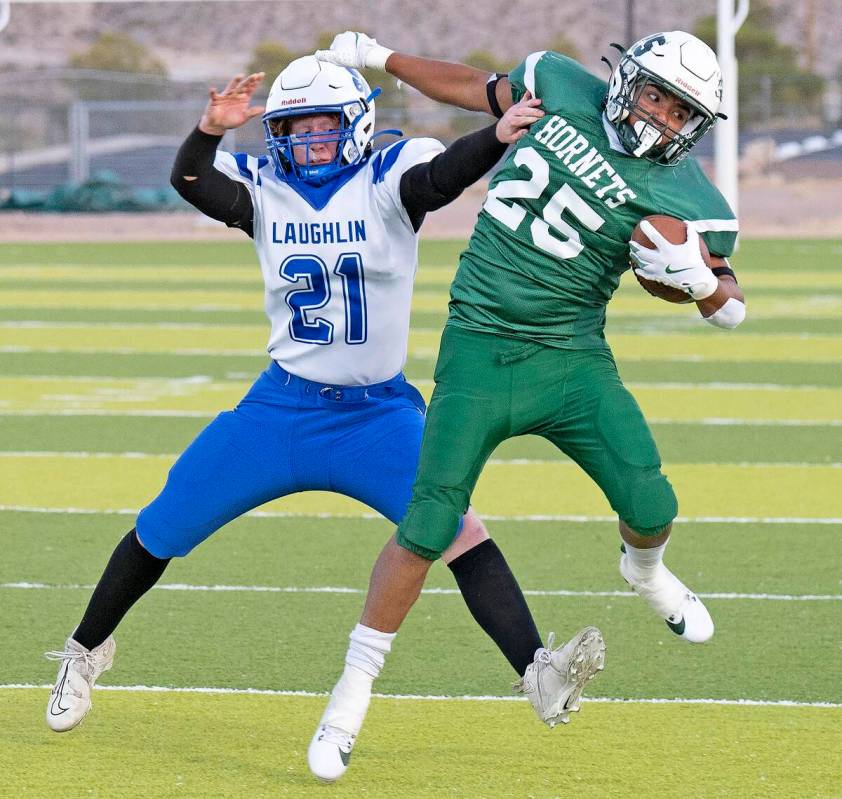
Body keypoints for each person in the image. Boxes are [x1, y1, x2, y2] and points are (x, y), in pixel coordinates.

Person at [44, 56, 600, 745]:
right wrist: (207, 130)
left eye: (321, 125)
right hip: (282, 408)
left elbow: (442, 176)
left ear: (357, 124)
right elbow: (188, 178)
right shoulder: (267, 191)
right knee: (165, 521)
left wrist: (494, 138)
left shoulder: (389, 178)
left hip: (377, 416)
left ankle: (537, 672)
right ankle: (83, 651)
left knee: (457, 530)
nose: (307, 140)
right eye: (294, 127)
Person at [309, 29, 746, 780]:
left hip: (572, 359)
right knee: (428, 521)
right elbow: (471, 85)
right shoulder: (561, 85)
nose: (663, 120)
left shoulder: (689, 197)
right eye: (656, 96)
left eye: (682, 113)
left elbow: (730, 303)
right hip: (477, 346)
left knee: (652, 499)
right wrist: (382, 59)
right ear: (626, 80)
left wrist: (699, 283)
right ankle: (348, 697)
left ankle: (645, 573)